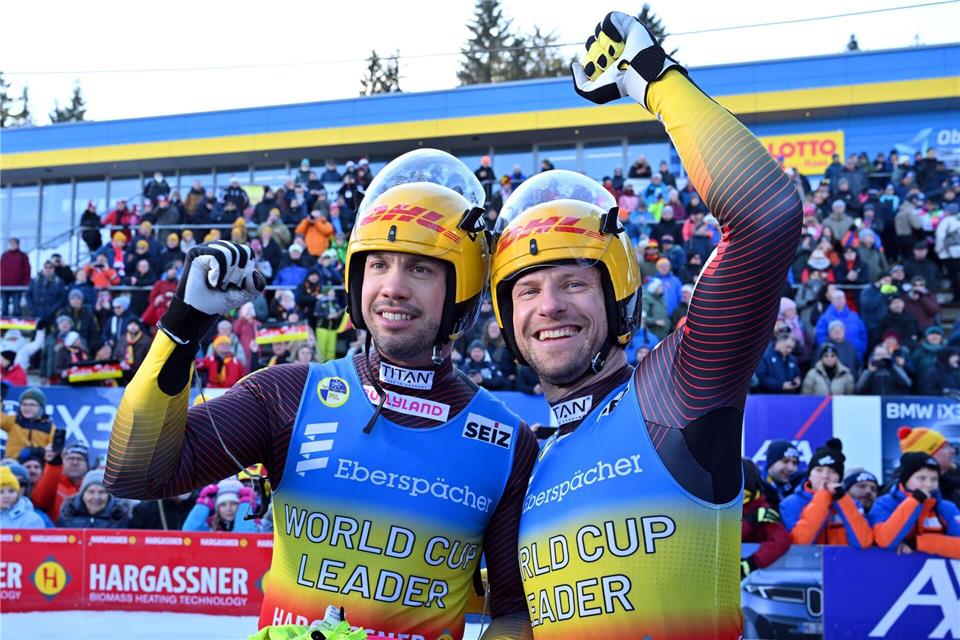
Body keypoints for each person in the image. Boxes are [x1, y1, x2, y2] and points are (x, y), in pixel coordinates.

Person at [104, 149, 536, 639]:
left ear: (462, 290)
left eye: (421, 269)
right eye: (378, 264)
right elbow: (134, 474)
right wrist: (182, 328)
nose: (392, 287)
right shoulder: (288, 393)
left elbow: (514, 613)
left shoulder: (507, 442)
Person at [487, 14, 803, 637]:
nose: (548, 305)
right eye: (527, 289)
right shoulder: (527, 461)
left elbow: (766, 218)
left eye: (574, 282)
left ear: (620, 298)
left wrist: (653, 79)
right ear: (506, 317)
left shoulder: (675, 391)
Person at [780, 441, 873, 547]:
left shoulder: (852, 503)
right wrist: (822, 496)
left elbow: (864, 542)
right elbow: (801, 543)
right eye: (819, 470)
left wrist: (842, 499)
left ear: (839, 478)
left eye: (833, 471)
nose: (825, 476)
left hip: (843, 558)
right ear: (810, 475)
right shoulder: (790, 503)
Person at [870, 452, 960, 558]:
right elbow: (884, 541)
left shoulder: (946, 508)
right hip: (892, 567)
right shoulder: (884, 504)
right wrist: (914, 501)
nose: (929, 484)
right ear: (906, 479)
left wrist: (917, 543)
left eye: (934, 479)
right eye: (921, 478)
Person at [740, 459, 790, 580]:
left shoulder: (763, 510)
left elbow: (781, 540)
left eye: (743, 496)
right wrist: (750, 521)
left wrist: (752, 562)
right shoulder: (716, 509)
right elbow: (717, 539)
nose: (737, 503)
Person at [897, 427, 960, 506]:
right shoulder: (898, 492)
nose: (953, 451)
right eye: (944, 447)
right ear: (928, 456)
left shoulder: (950, 484)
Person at [32, 441, 89, 522]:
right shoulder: (51, 483)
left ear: (87, 465)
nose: (75, 462)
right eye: (70, 458)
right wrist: (53, 465)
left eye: (80, 459)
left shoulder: (92, 487)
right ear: (62, 462)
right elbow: (40, 503)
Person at [56, 469, 131, 529]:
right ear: (82, 495)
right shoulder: (67, 516)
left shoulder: (121, 519)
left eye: (102, 492)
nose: (96, 497)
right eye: (91, 492)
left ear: (109, 496)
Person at [182, 478, 256, 532]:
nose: (228, 509)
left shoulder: (256, 524)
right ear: (217, 507)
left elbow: (246, 536)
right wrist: (203, 504)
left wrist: (246, 505)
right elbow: (188, 533)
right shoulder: (209, 526)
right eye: (223, 504)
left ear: (240, 504)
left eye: (234, 503)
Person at [2, 387, 56, 460]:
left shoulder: (49, 427)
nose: (27, 408)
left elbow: (53, 451)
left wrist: (36, 451)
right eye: (24, 404)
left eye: (32, 405)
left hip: (37, 464)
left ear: (41, 407)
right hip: (12, 463)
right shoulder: (13, 420)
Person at [815, 289, 868, 360]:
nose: (839, 300)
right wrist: (827, 351)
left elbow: (863, 334)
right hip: (835, 357)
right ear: (832, 301)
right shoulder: (824, 318)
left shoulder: (854, 316)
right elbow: (820, 337)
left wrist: (862, 348)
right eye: (837, 298)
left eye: (841, 298)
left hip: (856, 355)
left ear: (845, 300)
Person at [25, 261, 66, 328]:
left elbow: (62, 298)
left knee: (50, 333)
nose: (48, 269)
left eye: (50, 268)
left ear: (53, 269)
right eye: (46, 267)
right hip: (36, 314)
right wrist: (32, 307)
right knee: (35, 333)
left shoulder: (59, 282)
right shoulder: (35, 280)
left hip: (52, 316)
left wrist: (53, 309)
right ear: (43, 268)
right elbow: (28, 294)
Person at [761, 440, 802, 508]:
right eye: (785, 461)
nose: (790, 468)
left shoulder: (798, 484)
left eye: (794, 463)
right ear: (771, 463)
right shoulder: (757, 486)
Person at [934, 202, 960, 302]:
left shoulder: (946, 221)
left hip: (949, 253)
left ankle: (957, 297)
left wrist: (938, 250)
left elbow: (940, 237)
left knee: (953, 276)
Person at [1, 238, 31, 317]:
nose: (12, 245)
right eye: (10, 243)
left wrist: (25, 284)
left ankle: (16, 322)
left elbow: (27, 270)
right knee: (4, 308)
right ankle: (3, 323)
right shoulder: (4, 255)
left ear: (18, 245)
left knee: (16, 308)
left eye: (13, 243)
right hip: (4, 286)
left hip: (17, 286)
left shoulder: (22, 256)